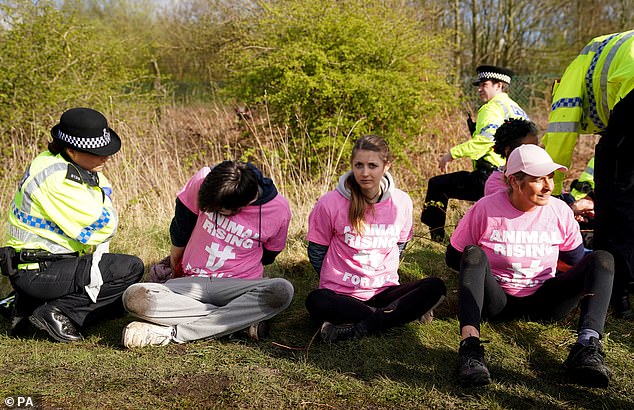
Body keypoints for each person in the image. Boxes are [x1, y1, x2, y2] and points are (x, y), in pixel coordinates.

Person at [447, 144, 614, 388]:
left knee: (602, 259)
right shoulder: (485, 209)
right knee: (472, 253)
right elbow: (454, 258)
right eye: (538, 180)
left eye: (550, 178)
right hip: (497, 301)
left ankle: (587, 348)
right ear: (514, 181)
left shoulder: (559, 211)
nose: (548, 186)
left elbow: (577, 260)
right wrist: (483, 273)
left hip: (546, 302)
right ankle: (470, 349)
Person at [2, 107, 144, 342]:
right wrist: (104, 199)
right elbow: (103, 226)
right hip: (40, 271)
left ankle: (25, 305)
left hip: (38, 263)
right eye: (97, 152)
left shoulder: (52, 160)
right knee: (130, 269)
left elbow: (102, 189)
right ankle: (56, 312)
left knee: (120, 302)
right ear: (71, 150)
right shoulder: (59, 180)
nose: (105, 157)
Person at [121, 160, 294, 348]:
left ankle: (171, 333)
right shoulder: (204, 178)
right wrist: (173, 266)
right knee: (134, 297)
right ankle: (237, 321)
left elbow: (269, 256)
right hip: (190, 282)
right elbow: (181, 229)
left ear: (241, 206)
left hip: (240, 286)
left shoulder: (278, 210)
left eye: (219, 211)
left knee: (282, 290)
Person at [305, 135, 447, 343]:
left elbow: (400, 246)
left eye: (372, 165)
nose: (365, 173)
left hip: (384, 290)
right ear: (351, 165)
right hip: (341, 292)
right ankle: (391, 315)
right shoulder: (329, 203)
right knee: (315, 301)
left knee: (435, 287)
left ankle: (361, 323)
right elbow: (317, 251)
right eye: (359, 165)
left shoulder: (402, 202)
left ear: (387, 165)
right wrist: (336, 276)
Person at [542, 30, 634, 319]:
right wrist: (590, 194)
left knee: (618, 207)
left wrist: (551, 194)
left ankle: (615, 292)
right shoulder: (609, 53)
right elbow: (608, 158)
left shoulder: (571, 81)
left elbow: (559, 138)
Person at [422, 65, 530, 242]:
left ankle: (436, 237)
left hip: (490, 176)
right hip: (515, 176)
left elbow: (486, 141)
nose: (479, 89)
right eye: (478, 85)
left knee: (437, 185)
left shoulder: (491, 108)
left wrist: (452, 154)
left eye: (484, 84)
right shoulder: (517, 109)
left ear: (499, 85)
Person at [483, 118, 539, 196]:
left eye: (536, 147)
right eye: (527, 148)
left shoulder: (541, 174)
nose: (535, 151)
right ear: (508, 150)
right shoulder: (496, 185)